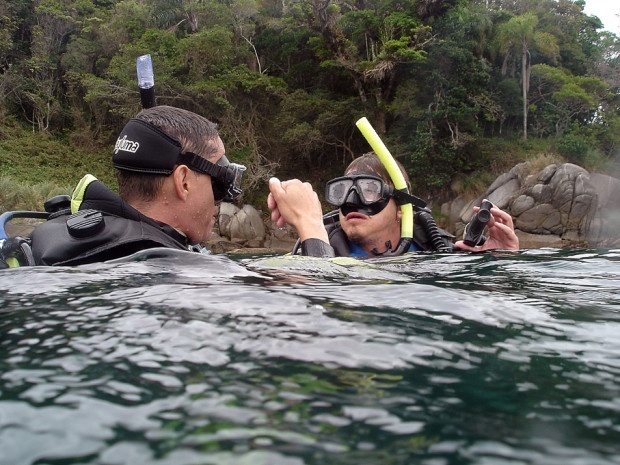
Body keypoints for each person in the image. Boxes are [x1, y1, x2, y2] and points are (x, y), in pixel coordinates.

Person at [23, 105, 246, 266]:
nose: (222, 199)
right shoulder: (166, 267)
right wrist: (283, 218)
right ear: (183, 182)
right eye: (219, 183)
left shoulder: (61, 235)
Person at [267, 152, 519, 257]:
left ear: (402, 208)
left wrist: (500, 260)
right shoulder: (315, 250)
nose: (352, 201)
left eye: (369, 190)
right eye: (343, 190)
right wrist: (309, 225)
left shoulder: (437, 249)